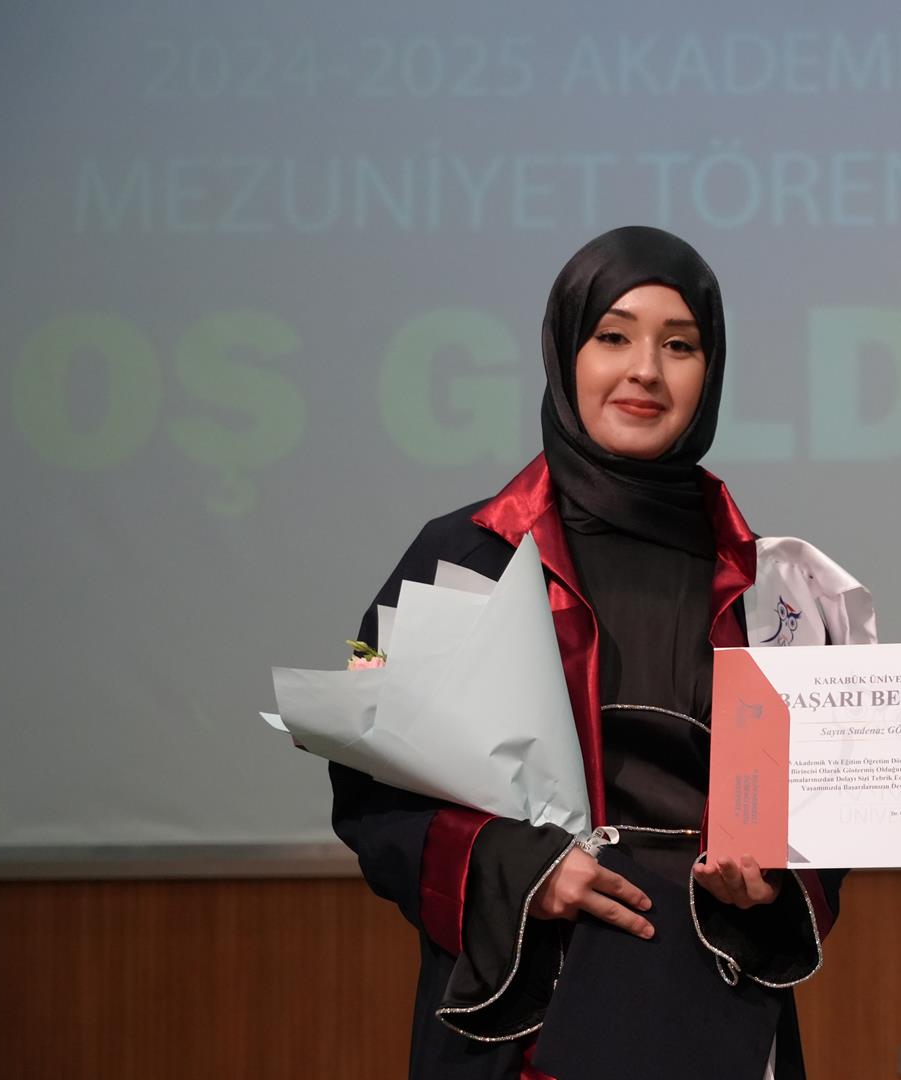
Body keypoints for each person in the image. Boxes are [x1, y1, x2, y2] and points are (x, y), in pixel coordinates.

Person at [330, 227, 851, 1080]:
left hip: (709, 1009)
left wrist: (775, 881)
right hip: (524, 1028)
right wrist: (520, 871)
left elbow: (830, 810)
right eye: (613, 336)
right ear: (565, 352)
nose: (645, 370)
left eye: (678, 345)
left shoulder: (775, 584)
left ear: (711, 372)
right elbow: (372, 794)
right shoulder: (467, 557)